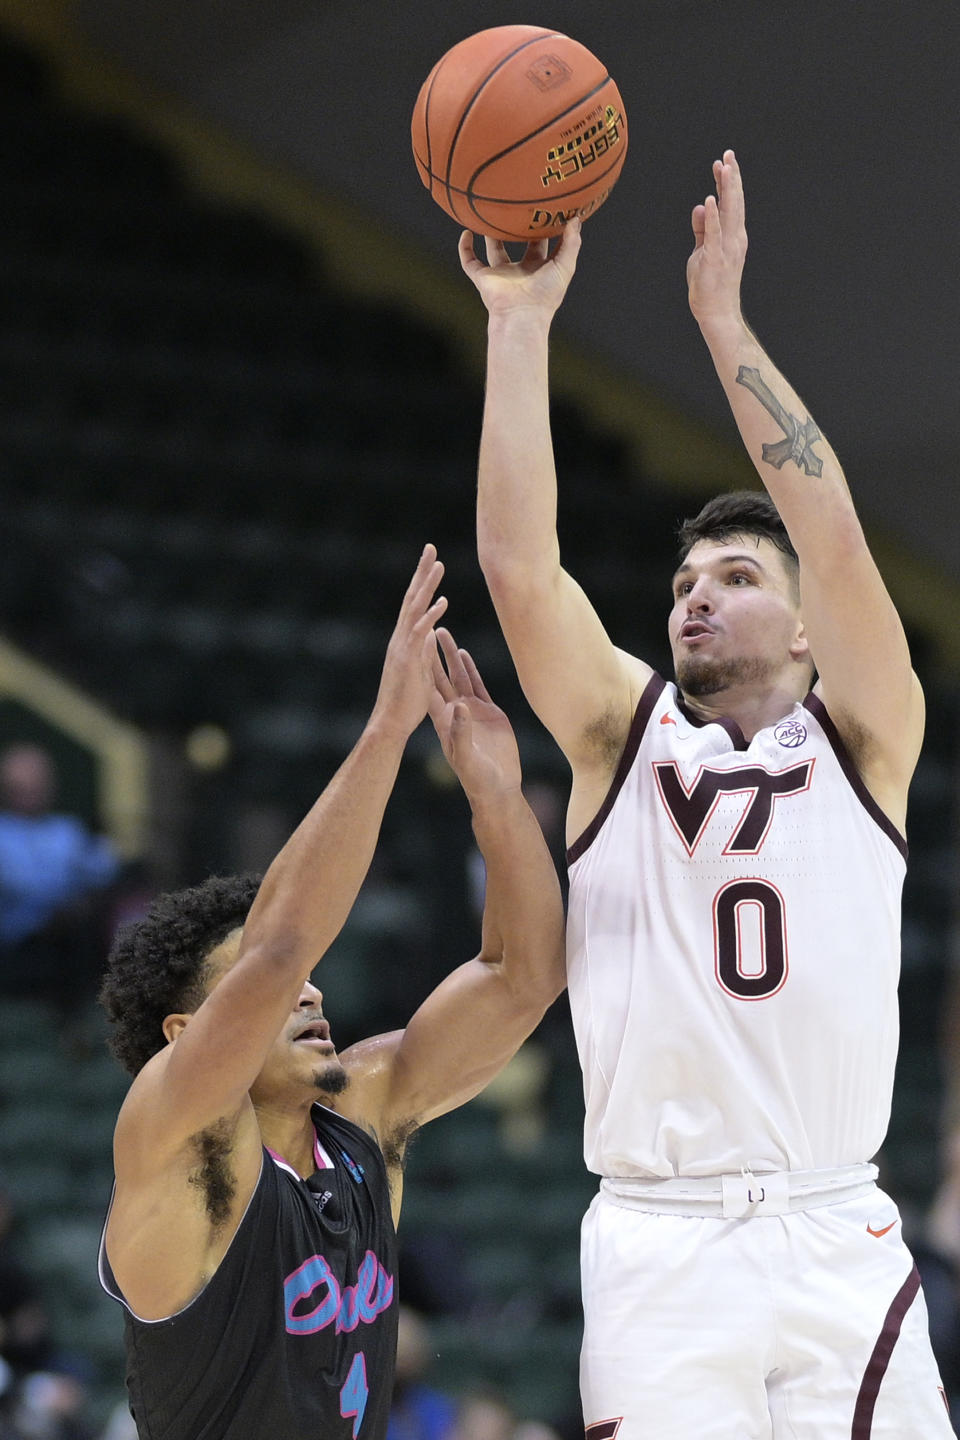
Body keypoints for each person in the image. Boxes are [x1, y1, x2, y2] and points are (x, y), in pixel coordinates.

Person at [459, 151, 954, 1436]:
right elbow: (519, 569)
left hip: (838, 1224)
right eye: (685, 583)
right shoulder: (623, 744)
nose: (696, 594)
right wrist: (520, 326)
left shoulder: (868, 737)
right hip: (664, 1243)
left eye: (735, 576)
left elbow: (833, 532)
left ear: (804, 631)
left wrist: (724, 328)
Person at [96, 544, 566, 1440]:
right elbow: (280, 948)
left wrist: (496, 798)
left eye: (312, 983)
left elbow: (524, 977)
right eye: (258, 990)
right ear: (187, 1029)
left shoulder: (364, 1118)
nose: (309, 992)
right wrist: (388, 730)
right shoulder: (173, 1139)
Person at [0, 743, 121, 1005]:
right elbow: (20, 887)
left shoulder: (68, 831)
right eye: (21, 785)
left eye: (37, 784)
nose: (30, 792)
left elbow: (105, 872)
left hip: (71, 945)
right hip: (15, 949)